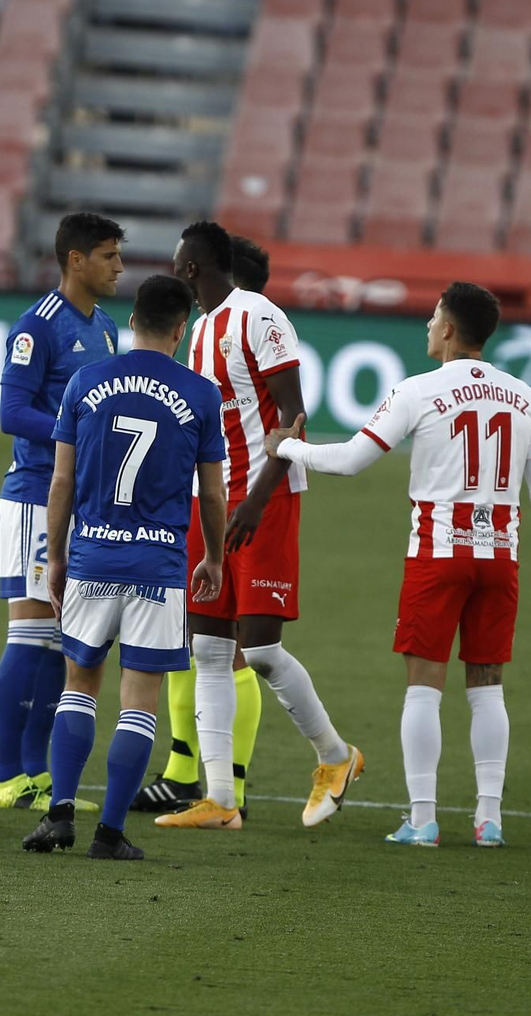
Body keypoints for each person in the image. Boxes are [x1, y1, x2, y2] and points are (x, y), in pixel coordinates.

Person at [265, 281, 531, 848]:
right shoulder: (526, 397)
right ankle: (489, 819)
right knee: (488, 686)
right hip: (501, 557)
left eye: (432, 318)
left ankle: (423, 819)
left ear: (450, 329)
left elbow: (353, 459)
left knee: (425, 687)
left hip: (438, 553)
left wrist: (287, 447)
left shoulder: (418, 391)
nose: (427, 326)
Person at [154, 220, 363, 832]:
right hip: (209, 500)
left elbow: (296, 417)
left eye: (177, 259)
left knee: (263, 649)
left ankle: (336, 756)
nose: (174, 267)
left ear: (192, 266)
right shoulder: (197, 333)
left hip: (263, 499)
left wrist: (258, 497)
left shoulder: (258, 316)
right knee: (211, 649)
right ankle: (221, 800)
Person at [22, 275, 229, 860]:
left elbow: (60, 479)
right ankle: (110, 833)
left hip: (91, 555)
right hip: (158, 564)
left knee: (78, 686)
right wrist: (212, 555)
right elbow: (212, 495)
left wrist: (56, 555)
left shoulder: (86, 382)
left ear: (132, 319)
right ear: (181, 328)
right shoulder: (201, 394)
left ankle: (59, 815)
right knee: (140, 701)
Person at [0, 213, 123, 811]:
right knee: (32, 629)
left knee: (59, 638)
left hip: (78, 497)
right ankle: (4, 772)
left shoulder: (108, 329)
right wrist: (77, 434)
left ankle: (36, 775)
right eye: (109, 255)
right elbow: (12, 412)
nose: (119, 266)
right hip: (35, 493)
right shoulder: (37, 326)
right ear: (76, 259)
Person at [132, 233, 269, 817]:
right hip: (209, 494)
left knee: (234, 648)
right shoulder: (215, 335)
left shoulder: (237, 335)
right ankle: (190, 769)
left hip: (234, 496)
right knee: (198, 638)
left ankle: (224, 783)